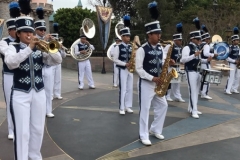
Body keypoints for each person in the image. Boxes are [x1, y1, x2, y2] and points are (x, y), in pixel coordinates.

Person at [4, 14, 62, 159]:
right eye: (25, 32)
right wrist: (29, 48)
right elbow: (11, 63)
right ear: (18, 34)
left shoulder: (39, 48)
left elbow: (57, 60)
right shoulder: (13, 47)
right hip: (20, 93)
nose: (30, 34)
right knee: (22, 131)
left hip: (39, 92)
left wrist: (49, 48)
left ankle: (35, 156)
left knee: (37, 129)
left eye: (31, 31)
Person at [135, 1, 175, 146]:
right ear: (149, 34)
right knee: (144, 110)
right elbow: (138, 69)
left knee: (163, 105)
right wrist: (152, 78)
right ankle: (143, 135)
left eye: (159, 33)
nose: (159, 35)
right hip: (146, 84)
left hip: (158, 83)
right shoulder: (142, 49)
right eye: (157, 33)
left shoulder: (160, 48)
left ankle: (155, 129)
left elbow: (162, 60)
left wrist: (168, 62)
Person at [181, 17, 211, 119]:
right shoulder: (187, 48)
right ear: (192, 39)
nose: (199, 41)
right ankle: (193, 110)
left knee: (196, 90)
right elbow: (183, 60)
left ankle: (193, 108)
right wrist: (194, 55)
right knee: (192, 91)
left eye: (200, 39)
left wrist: (206, 60)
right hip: (190, 71)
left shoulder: (198, 48)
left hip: (197, 71)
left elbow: (198, 60)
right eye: (198, 39)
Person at [0, 1, 20, 140]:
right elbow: (10, 57)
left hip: (20, 75)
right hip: (8, 75)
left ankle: (21, 126)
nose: (17, 32)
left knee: (21, 102)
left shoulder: (23, 41)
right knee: (10, 103)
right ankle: (11, 129)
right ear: (9, 30)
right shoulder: (3, 42)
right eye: (15, 30)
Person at [113, 15, 134, 115]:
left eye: (129, 36)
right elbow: (115, 59)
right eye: (126, 36)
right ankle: (121, 107)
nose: (128, 38)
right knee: (123, 89)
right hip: (122, 69)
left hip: (130, 70)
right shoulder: (118, 47)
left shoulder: (131, 46)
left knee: (130, 88)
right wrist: (125, 64)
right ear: (122, 37)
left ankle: (128, 106)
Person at [165, 23, 185, 102]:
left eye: (181, 40)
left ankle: (177, 95)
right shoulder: (170, 46)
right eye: (179, 40)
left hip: (177, 66)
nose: (181, 41)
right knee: (169, 81)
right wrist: (169, 60)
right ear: (175, 40)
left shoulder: (180, 47)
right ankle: (167, 95)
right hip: (170, 66)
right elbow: (164, 54)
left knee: (177, 82)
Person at [199, 25, 217, 99]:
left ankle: (201, 92)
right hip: (206, 63)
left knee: (202, 79)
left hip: (201, 63)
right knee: (207, 79)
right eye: (208, 38)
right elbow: (206, 54)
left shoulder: (200, 45)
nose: (209, 40)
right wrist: (213, 54)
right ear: (205, 39)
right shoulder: (206, 45)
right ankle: (204, 93)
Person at [51, 23, 66, 99]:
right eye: (55, 40)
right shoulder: (51, 46)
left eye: (57, 40)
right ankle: (51, 94)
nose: (57, 42)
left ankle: (57, 93)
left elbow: (64, 56)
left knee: (58, 79)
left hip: (58, 64)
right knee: (51, 80)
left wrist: (62, 49)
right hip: (51, 64)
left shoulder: (59, 47)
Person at [225, 27, 240, 94]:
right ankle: (228, 89)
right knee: (231, 77)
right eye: (236, 40)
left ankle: (234, 88)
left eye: (238, 40)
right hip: (232, 63)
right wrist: (234, 61)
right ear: (233, 41)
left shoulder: (238, 47)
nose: (237, 41)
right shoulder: (230, 47)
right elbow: (226, 57)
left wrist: (238, 61)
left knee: (238, 76)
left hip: (238, 63)